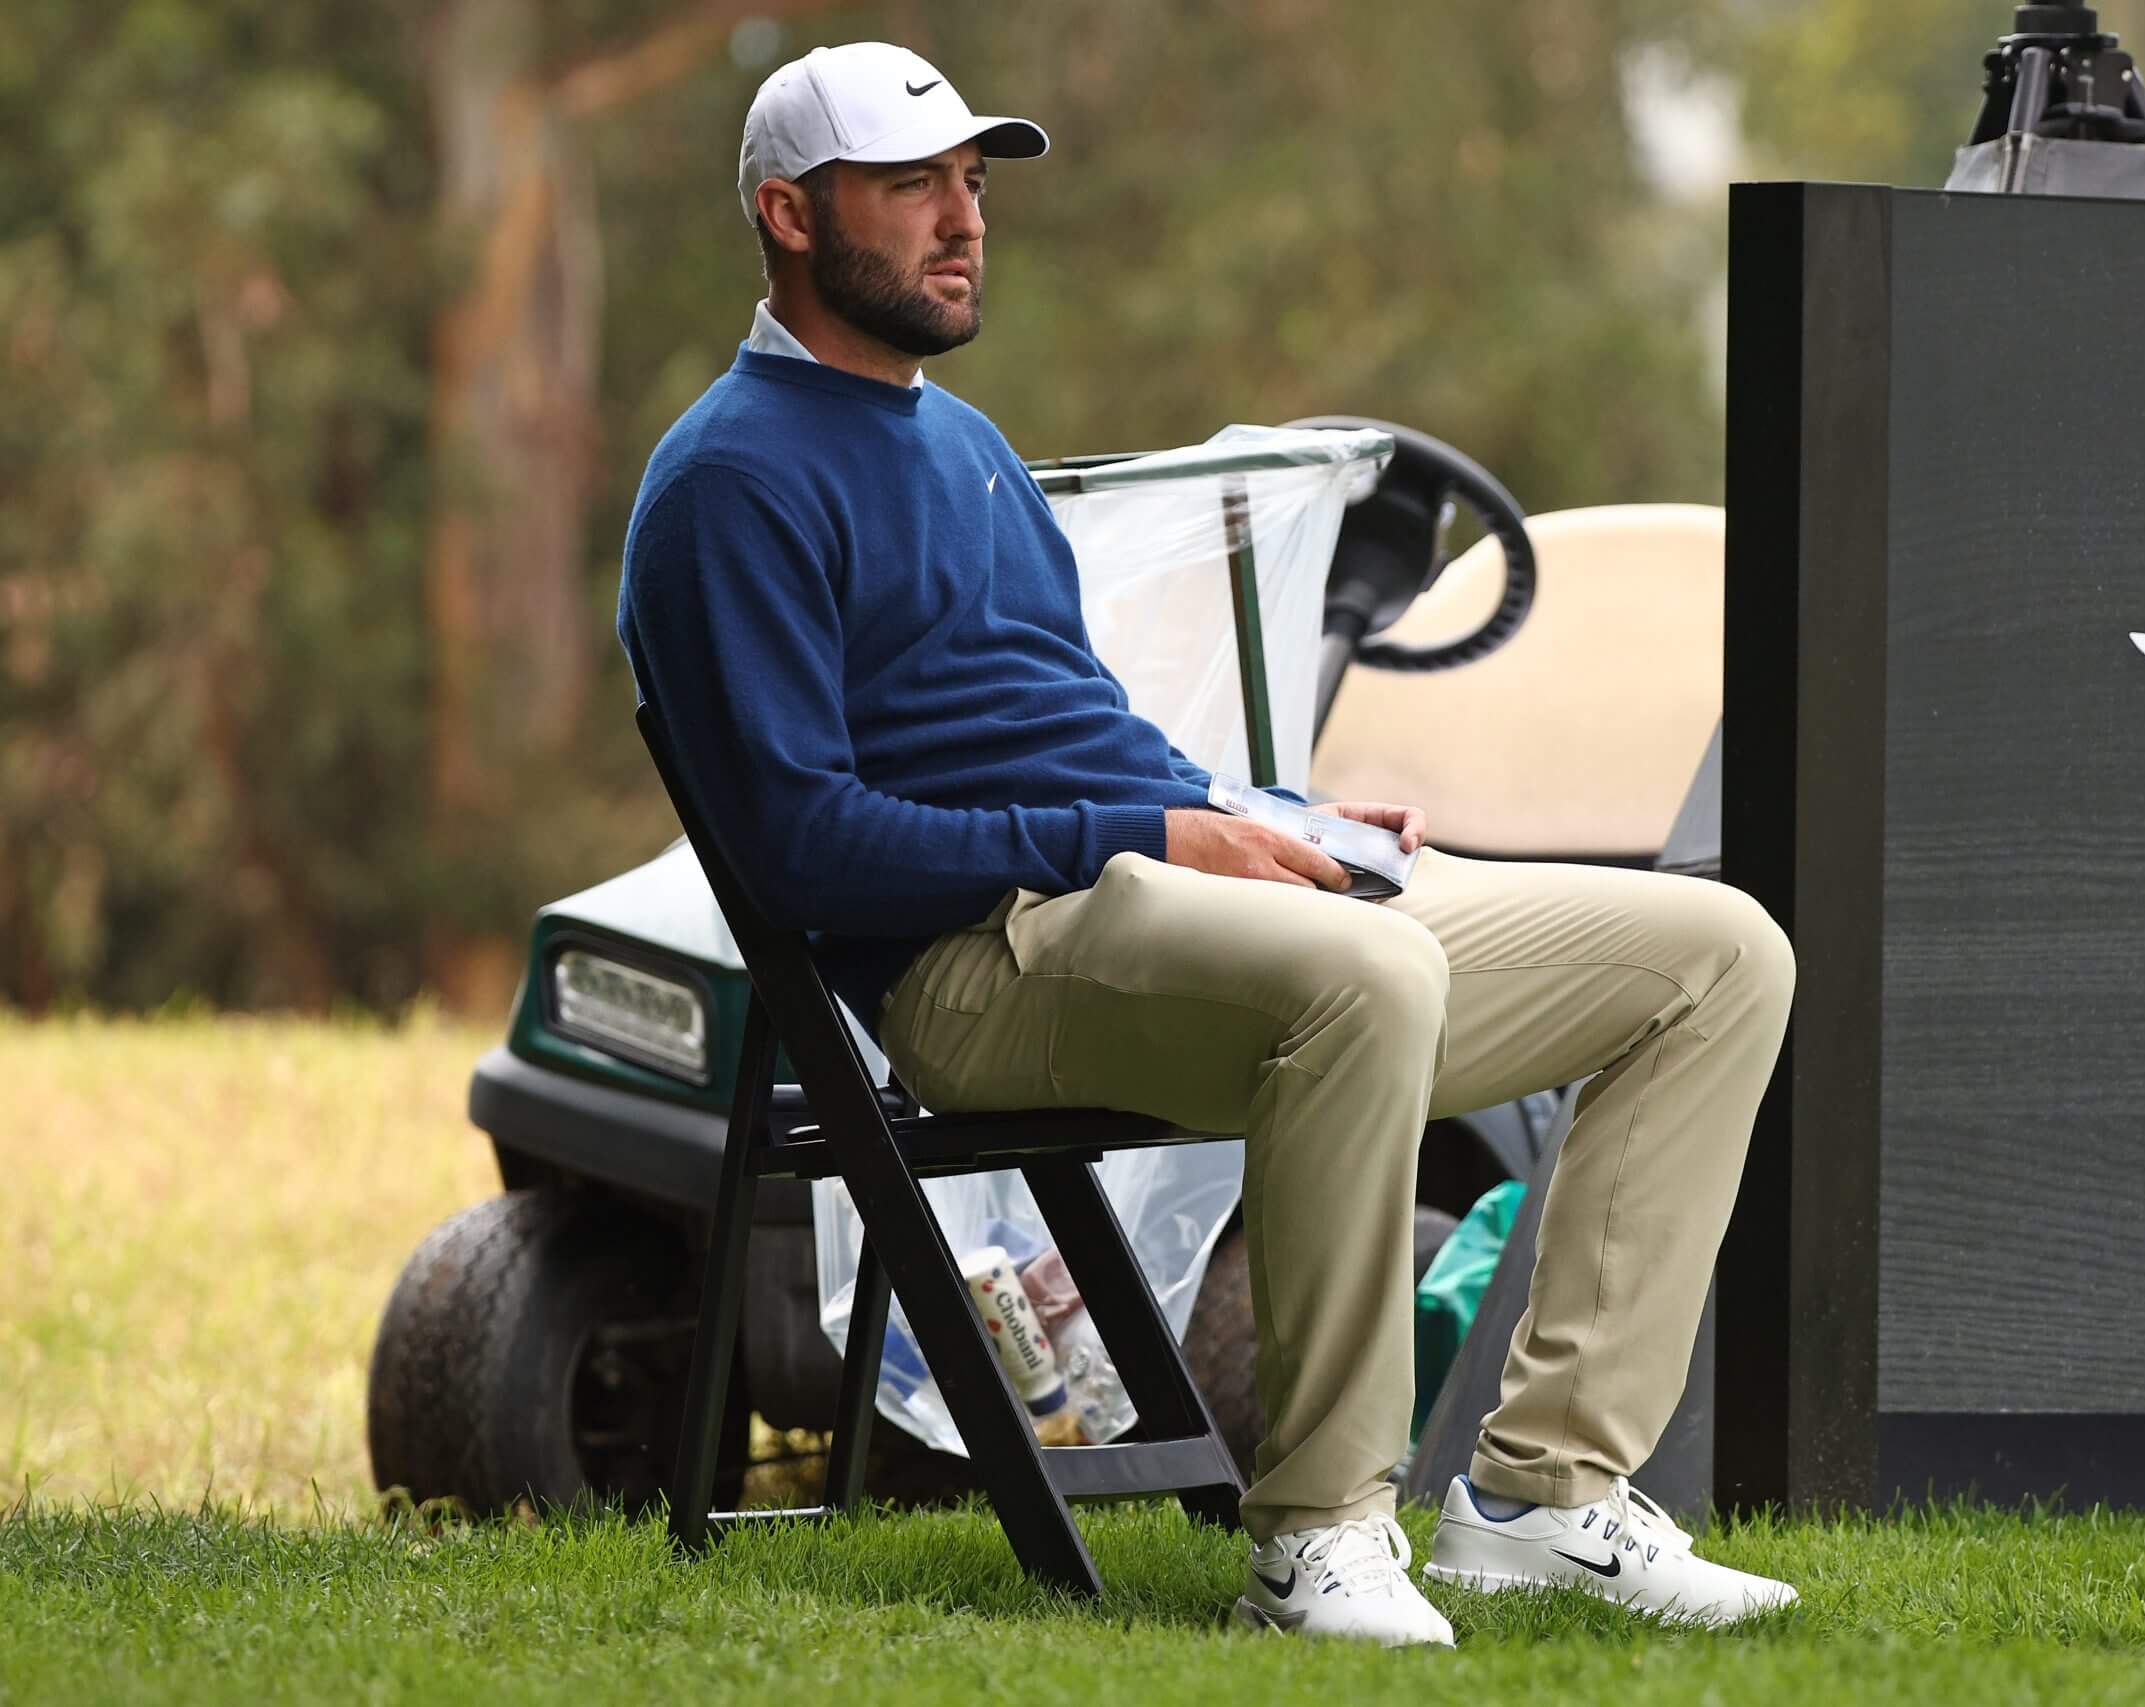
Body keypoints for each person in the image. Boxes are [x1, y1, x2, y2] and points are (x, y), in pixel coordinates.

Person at [618, 41, 1800, 1648]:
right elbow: (806, 851)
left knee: (1719, 955)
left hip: (1147, 896)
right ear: (791, 214)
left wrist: (1269, 819)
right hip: (981, 966)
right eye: (912, 188)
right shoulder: (726, 484)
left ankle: (1545, 1496)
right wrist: (1155, 831)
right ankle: (1316, 1535)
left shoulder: (964, 450)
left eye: (973, 183)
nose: (964, 220)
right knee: (1364, 975)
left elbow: (1081, 730)